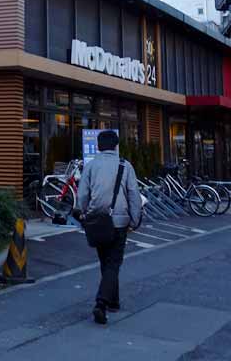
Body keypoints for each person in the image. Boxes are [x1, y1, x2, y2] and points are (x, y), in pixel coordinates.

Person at [76, 129, 141, 325]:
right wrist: (135, 220)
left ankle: (113, 301)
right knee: (113, 263)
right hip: (120, 222)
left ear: (98, 146)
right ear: (116, 146)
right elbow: (133, 195)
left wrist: (84, 213)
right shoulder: (125, 165)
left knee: (106, 262)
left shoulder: (91, 166)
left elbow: (82, 196)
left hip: (98, 221)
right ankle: (102, 303)